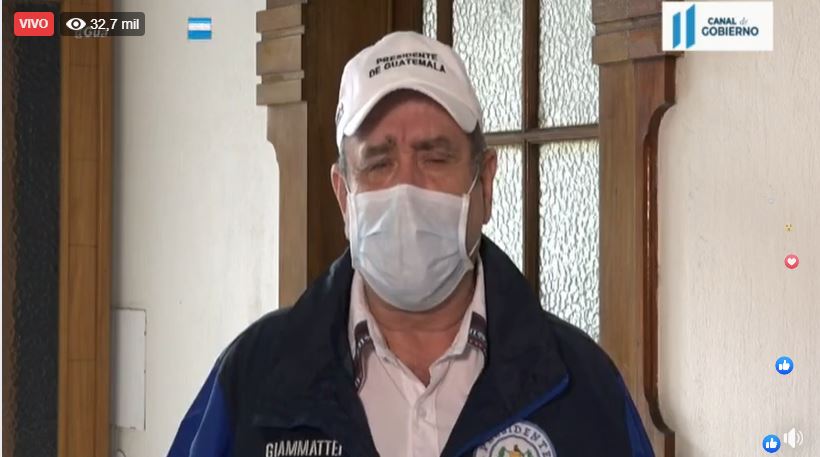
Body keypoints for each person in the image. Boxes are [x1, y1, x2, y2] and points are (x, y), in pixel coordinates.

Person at [168, 31, 654, 457]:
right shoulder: (252, 378)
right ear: (343, 194)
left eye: (434, 158)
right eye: (378, 163)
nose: (406, 187)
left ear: (485, 184)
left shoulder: (582, 385)